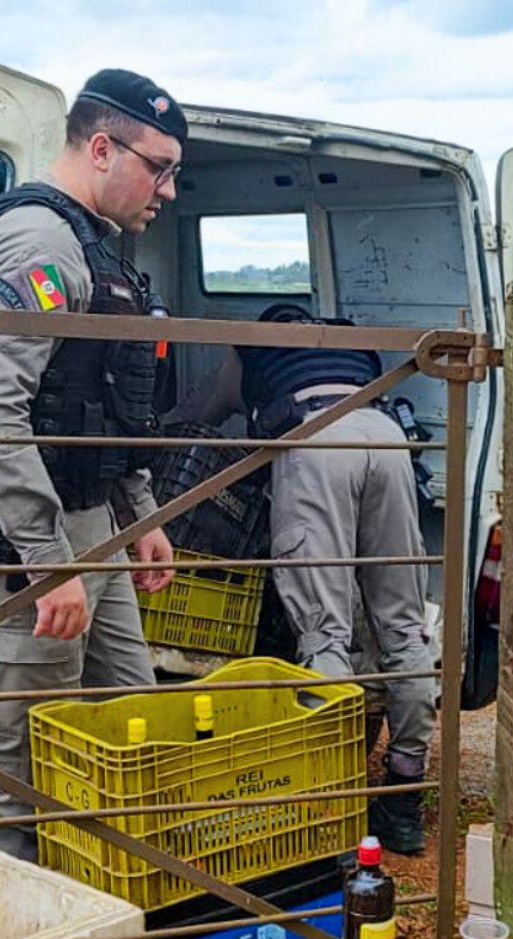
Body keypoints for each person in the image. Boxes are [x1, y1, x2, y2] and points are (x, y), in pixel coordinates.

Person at [0, 69, 185, 859]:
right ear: (104, 147)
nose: (169, 190)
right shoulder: (40, 243)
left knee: (127, 711)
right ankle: (8, 936)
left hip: (94, 522)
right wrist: (50, 564)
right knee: (20, 745)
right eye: (160, 167)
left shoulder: (97, 252)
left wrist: (138, 515)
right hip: (29, 538)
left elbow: (107, 396)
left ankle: (107, 894)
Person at [168, 303, 438, 854]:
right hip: (386, 442)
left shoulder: (254, 344)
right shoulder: (350, 338)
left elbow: (201, 411)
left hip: (314, 440)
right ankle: (404, 799)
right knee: (405, 630)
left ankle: (333, 805)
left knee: (324, 634)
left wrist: (155, 436)